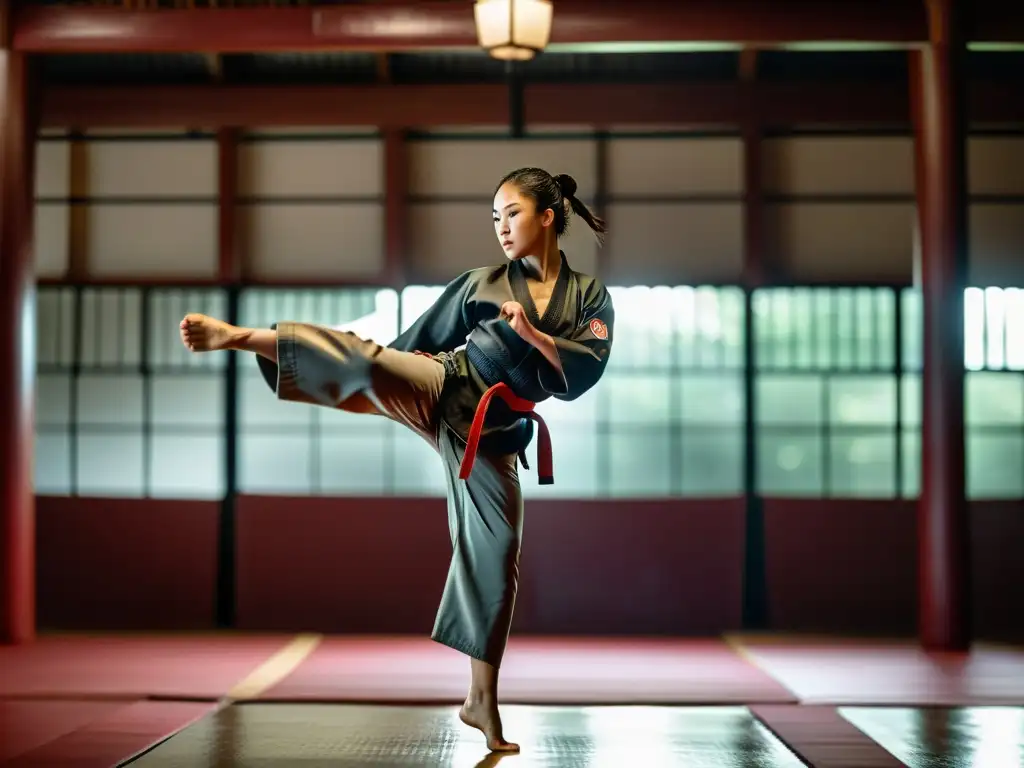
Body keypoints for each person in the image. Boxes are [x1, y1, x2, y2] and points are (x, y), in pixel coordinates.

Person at [178, 167, 614, 752]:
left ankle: (479, 699)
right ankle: (244, 337)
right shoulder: (478, 283)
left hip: (494, 431)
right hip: (445, 384)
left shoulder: (589, 295)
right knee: (369, 360)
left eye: (511, 213)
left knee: (497, 552)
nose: (501, 228)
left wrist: (532, 336)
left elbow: (581, 371)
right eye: (494, 218)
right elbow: (413, 343)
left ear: (548, 216)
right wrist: (381, 381)